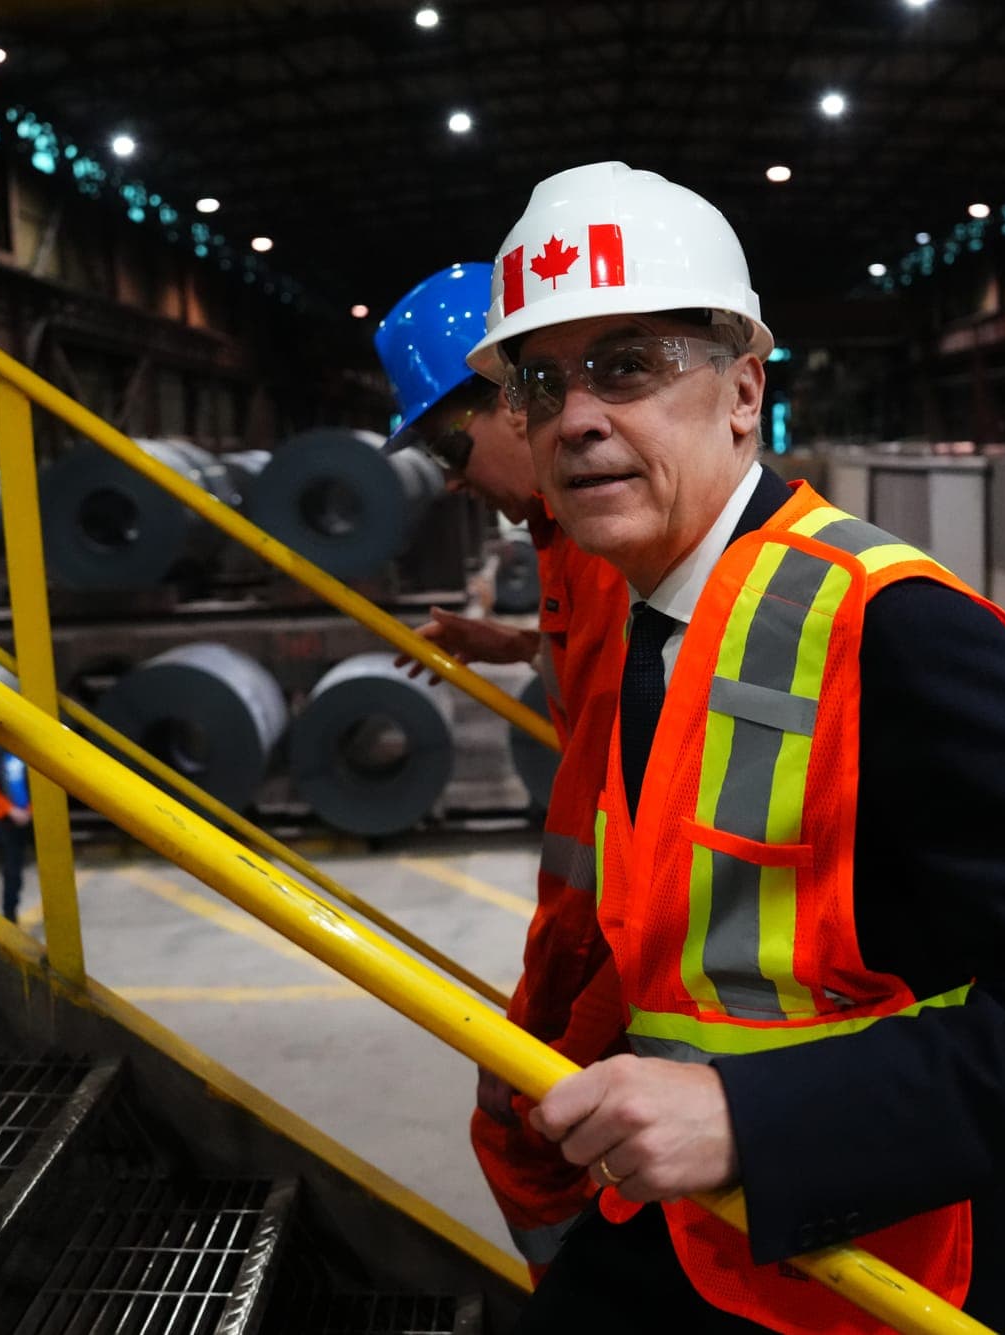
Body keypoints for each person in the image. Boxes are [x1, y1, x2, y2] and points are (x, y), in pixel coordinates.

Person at [465, 161, 1005, 1333]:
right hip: (709, 1240)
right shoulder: (656, 623)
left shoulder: (891, 626)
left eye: (627, 365)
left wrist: (746, 1118)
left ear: (744, 389)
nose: (576, 415)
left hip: (896, 1273)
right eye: (539, 384)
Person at [378, 261, 632, 1277]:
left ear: (512, 400)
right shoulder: (563, 541)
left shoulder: (609, 547)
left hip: (616, 930)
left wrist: (587, 1002)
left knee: (525, 1130)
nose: (447, 475)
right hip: (593, 918)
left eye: (447, 442)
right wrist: (521, 646)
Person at [0, 749, 34, 924]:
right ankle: (10, 913)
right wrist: (10, 811)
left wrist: (30, 810)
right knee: (11, 869)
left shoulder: (31, 754)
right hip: (7, 821)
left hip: (33, 817)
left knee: (54, 862)